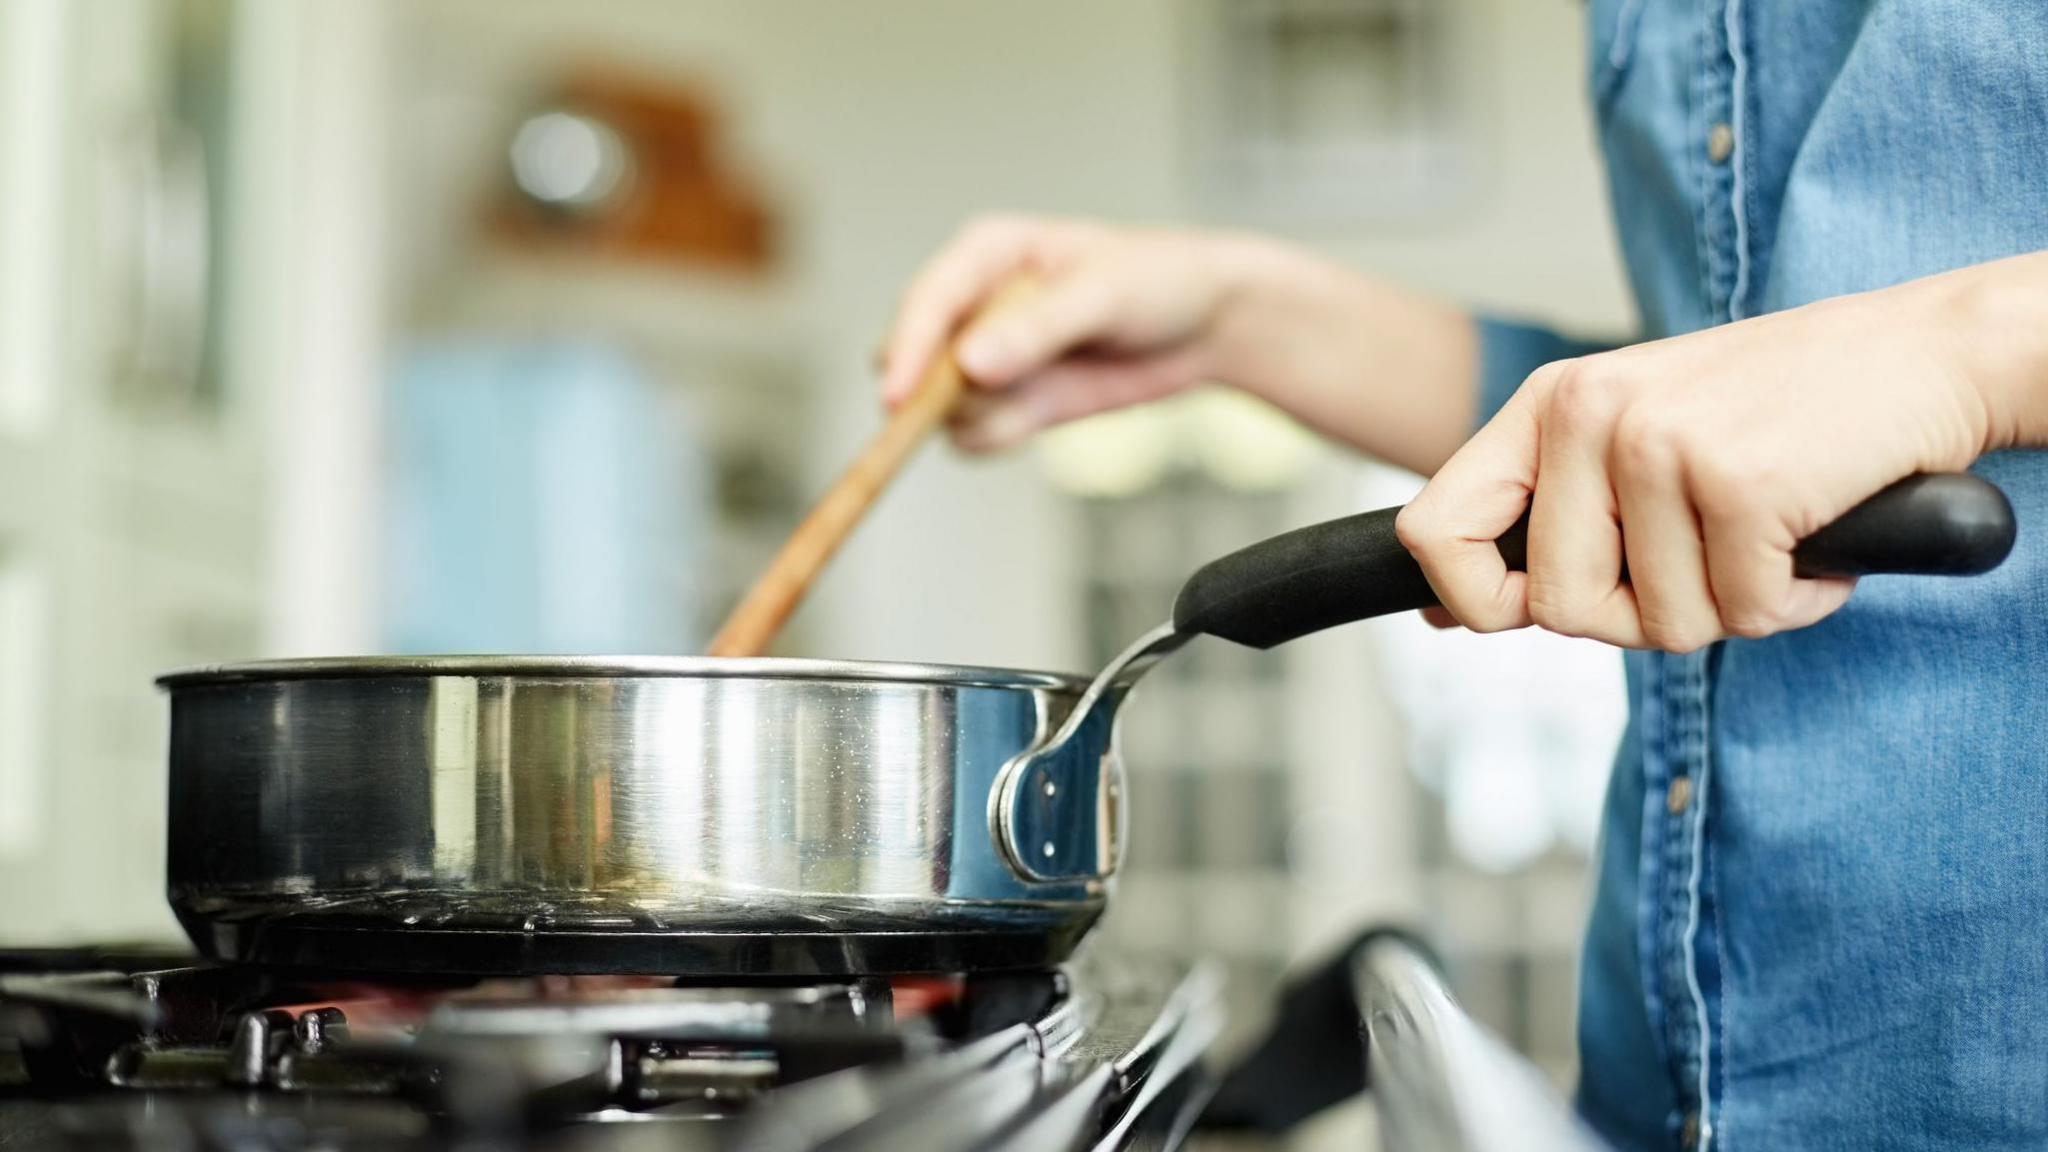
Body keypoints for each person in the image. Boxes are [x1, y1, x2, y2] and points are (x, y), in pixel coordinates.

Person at [878, 4, 2048, 1151]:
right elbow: (1682, 430)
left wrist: (1970, 352)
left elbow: (1869, 376)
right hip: (1673, 1076)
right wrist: (1231, 318)